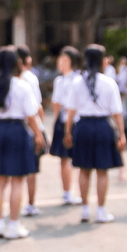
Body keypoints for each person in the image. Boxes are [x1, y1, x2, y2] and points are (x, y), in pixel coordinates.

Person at [0, 48, 46, 240]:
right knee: (17, 180)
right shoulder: (22, 85)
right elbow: (31, 115)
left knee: (0, 181)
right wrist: (38, 135)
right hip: (17, 130)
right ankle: (14, 225)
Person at [65, 44, 125, 224]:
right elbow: (117, 113)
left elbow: (71, 110)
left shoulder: (77, 81)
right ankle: (100, 210)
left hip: (82, 126)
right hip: (102, 127)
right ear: (102, 61)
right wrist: (121, 134)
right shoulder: (109, 83)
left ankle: (84, 209)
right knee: (102, 170)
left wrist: (68, 131)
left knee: (84, 170)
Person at [49, 47, 83, 206]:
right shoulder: (60, 80)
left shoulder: (78, 79)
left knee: (78, 159)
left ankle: (75, 192)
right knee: (64, 159)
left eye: (65, 60)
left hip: (77, 121)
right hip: (64, 122)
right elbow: (56, 103)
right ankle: (67, 192)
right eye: (60, 59)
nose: (61, 63)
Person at [16, 47, 47, 215]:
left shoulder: (0, 80)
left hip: (10, 128)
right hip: (30, 126)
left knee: (12, 173)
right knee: (31, 169)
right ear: (25, 60)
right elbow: (36, 107)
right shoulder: (29, 79)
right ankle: (30, 204)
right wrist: (40, 129)